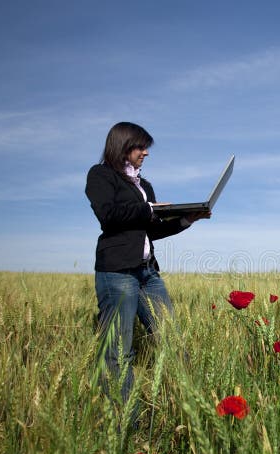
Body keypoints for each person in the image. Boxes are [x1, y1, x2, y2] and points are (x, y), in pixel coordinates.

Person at [85, 121, 210, 413]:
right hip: (117, 272)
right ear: (123, 146)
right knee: (118, 352)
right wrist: (150, 210)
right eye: (141, 147)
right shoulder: (101, 175)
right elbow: (108, 215)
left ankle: (187, 409)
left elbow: (150, 231)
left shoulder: (145, 186)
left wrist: (186, 219)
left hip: (147, 273)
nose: (146, 153)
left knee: (172, 341)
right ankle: (126, 422)